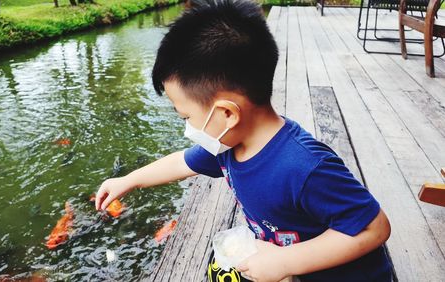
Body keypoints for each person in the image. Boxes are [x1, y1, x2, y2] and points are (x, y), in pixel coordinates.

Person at [95, 0, 393, 281]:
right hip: (281, 255)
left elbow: (374, 228)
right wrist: (129, 180)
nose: (187, 127)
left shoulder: (304, 168)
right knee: (218, 268)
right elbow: (182, 162)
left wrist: (286, 262)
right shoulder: (226, 144)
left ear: (226, 113)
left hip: (336, 273)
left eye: (186, 117)